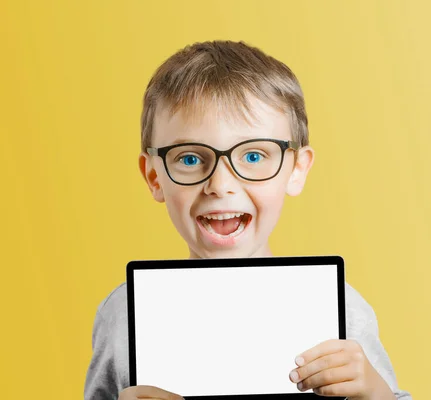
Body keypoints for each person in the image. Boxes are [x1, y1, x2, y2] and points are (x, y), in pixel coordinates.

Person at [84, 40, 412, 400]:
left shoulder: (341, 309)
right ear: (154, 176)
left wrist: (376, 393)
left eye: (254, 155)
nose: (221, 186)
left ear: (297, 169)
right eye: (190, 159)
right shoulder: (125, 314)